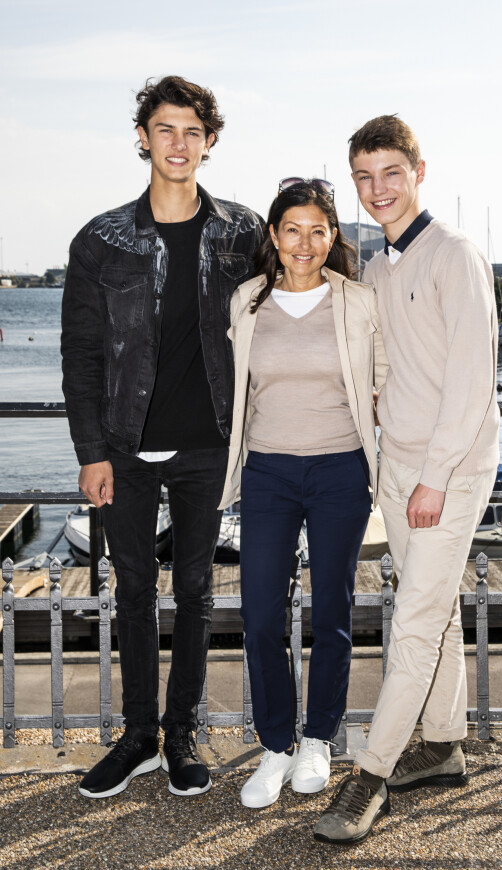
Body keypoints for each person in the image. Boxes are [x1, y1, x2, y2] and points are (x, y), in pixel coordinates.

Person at [61, 75, 263, 799]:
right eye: (165, 129)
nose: (178, 144)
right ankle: (139, 736)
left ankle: (182, 736)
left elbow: (305, 293)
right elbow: (80, 355)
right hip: (122, 446)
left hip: (209, 444)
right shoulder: (101, 240)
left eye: (193, 132)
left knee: (199, 593)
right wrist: (90, 451)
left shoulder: (245, 233)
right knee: (136, 592)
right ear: (143, 137)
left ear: (209, 144)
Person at [315, 115, 500, 844]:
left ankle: (371, 774)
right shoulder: (381, 265)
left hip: (447, 470)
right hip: (400, 462)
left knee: (416, 622)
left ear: (420, 171)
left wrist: (433, 477)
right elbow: (393, 363)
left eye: (390, 172)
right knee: (439, 609)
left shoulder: (455, 255)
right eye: (363, 177)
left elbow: (472, 383)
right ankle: (445, 744)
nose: (377, 189)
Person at [219, 179, 388, 809]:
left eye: (319, 230)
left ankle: (318, 738)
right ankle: (276, 745)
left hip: (340, 469)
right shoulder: (245, 303)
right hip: (266, 472)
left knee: (333, 611)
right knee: (261, 611)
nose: (305, 243)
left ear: (334, 236)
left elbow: (386, 378)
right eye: (293, 229)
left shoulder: (358, 302)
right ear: (273, 235)